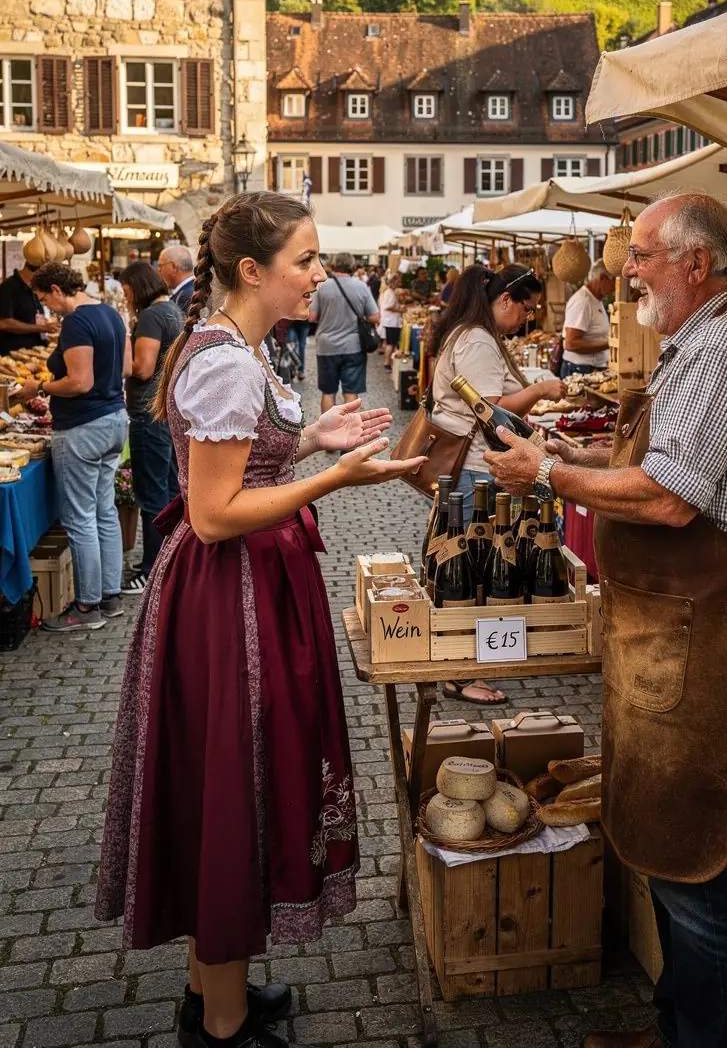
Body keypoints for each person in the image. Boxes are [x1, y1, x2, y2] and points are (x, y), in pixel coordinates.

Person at [95, 192, 424, 1048]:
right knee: (232, 790)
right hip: (228, 601)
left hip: (242, 591)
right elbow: (211, 514)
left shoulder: (236, 346)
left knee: (227, 790)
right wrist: (334, 479)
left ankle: (216, 992)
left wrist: (311, 439)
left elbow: (243, 459)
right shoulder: (227, 361)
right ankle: (224, 1027)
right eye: (306, 261)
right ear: (253, 271)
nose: (320, 274)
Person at [483, 193, 727, 1048]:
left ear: (696, 265)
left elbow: (668, 499)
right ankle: (679, 1028)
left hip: (720, 627)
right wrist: (568, 454)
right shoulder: (704, 341)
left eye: (642, 254)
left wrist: (549, 477)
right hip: (693, 623)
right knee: (681, 845)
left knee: (700, 861)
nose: (627, 269)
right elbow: (662, 465)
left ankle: (702, 1038)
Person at [429, 263, 565, 705]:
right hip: (474, 468)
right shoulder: (479, 340)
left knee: (466, 561)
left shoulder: (474, 334)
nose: (528, 318)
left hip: (472, 467)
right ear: (505, 300)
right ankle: (457, 672)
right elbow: (491, 409)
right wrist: (541, 389)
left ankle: (465, 662)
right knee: (466, 567)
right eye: (526, 308)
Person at [22, 263, 129, 630]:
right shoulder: (110, 314)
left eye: (44, 299)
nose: (47, 307)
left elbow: (79, 382)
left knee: (81, 518)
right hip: (113, 419)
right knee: (103, 511)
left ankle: (86, 607)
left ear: (56, 289)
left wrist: (39, 388)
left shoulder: (77, 322)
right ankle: (110, 596)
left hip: (83, 425)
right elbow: (125, 366)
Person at [119, 262, 184, 594]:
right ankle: (172, 560)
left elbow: (143, 368)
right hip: (164, 410)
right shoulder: (171, 310)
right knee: (169, 489)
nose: (126, 297)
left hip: (148, 412)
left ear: (137, 286)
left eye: (127, 290)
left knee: (152, 493)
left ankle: (152, 568)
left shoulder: (151, 316)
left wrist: (115, 354)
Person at [310, 253, 379, 415]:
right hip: (353, 346)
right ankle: (350, 430)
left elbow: (312, 317)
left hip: (326, 347)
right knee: (351, 391)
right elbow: (375, 317)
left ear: (333, 265)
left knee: (328, 392)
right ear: (352, 266)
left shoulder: (322, 286)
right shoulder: (361, 286)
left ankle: (327, 430)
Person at [560, 259, 616, 377]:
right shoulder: (583, 302)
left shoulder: (596, 299)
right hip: (580, 369)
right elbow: (571, 343)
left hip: (590, 368)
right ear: (602, 278)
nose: (614, 288)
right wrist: (609, 344)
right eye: (613, 282)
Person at [0, 261, 54, 355]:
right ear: (37, 272)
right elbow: (4, 323)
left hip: (34, 349)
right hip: (14, 353)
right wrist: (41, 328)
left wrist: (47, 324)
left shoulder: (32, 287)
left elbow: (29, 314)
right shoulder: (9, 287)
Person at [158, 243, 195, 316]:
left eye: (160, 266)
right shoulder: (191, 289)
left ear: (173, 266)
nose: (158, 270)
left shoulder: (186, 295)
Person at [379, 272, 402, 369]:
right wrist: (400, 310)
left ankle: (389, 362)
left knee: (390, 343)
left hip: (390, 321)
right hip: (391, 322)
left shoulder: (390, 291)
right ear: (394, 282)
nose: (400, 283)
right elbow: (388, 307)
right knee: (390, 344)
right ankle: (387, 363)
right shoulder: (390, 293)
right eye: (398, 281)